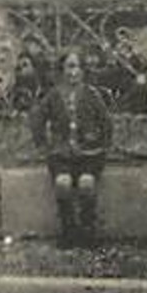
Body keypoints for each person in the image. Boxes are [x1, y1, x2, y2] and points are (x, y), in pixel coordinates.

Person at [30, 49, 113, 247]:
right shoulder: (53, 95)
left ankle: (88, 229)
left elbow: (106, 122)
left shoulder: (92, 94)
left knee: (86, 183)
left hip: (89, 154)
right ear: (61, 70)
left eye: (77, 67)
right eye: (69, 67)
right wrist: (43, 144)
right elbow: (37, 119)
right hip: (62, 155)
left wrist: (102, 143)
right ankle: (69, 229)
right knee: (63, 183)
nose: (72, 72)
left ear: (83, 70)